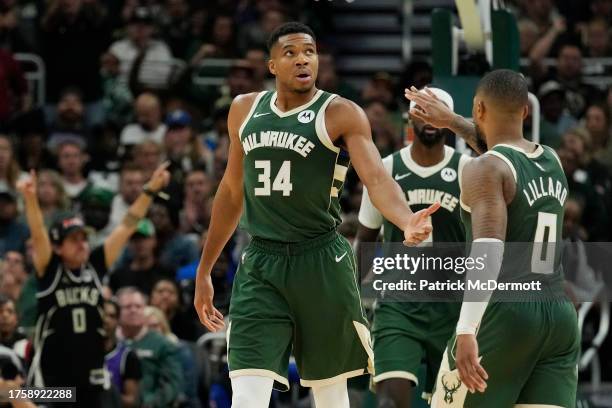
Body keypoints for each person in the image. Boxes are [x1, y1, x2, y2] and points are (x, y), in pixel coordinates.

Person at [193, 22, 438, 408]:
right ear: (272, 65)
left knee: (330, 392)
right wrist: (205, 268)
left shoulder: (340, 112)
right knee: (247, 391)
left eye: (309, 51)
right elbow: (229, 190)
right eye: (290, 52)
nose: (303, 59)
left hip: (321, 259)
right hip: (261, 262)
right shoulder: (244, 109)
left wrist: (406, 219)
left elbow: (375, 176)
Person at [406, 70, 579, 407]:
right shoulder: (552, 160)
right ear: (526, 111)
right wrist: (454, 121)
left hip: (506, 312)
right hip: (558, 315)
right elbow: (500, 149)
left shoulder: (483, 169)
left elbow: (489, 252)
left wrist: (467, 329)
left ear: (479, 109)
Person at [19, 162, 169, 408]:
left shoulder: (96, 265)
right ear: (57, 247)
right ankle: (12, 394)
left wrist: (149, 191)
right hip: (54, 380)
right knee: (15, 397)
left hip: (90, 375)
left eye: (84, 238)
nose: (82, 244)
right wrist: (30, 199)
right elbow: (38, 233)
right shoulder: (50, 270)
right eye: (73, 240)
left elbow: (127, 225)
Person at [357, 88, 469, 408]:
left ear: (449, 122)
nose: (430, 117)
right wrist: (351, 303)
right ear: (410, 117)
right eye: (422, 110)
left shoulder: (467, 170)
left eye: (438, 111)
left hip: (452, 305)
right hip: (399, 302)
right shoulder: (386, 169)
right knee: (390, 402)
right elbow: (365, 239)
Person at [116, 287, 183, 408]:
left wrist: (150, 404)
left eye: (138, 306)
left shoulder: (163, 344)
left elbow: (172, 386)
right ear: (117, 311)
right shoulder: (109, 342)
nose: (133, 310)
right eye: (127, 307)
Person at [102, 299, 141, 408]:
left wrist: (107, 391)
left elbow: (133, 401)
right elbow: (55, 395)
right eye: (102, 315)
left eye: (112, 316)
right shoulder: (78, 355)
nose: (106, 320)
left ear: (118, 321)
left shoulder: (128, 357)